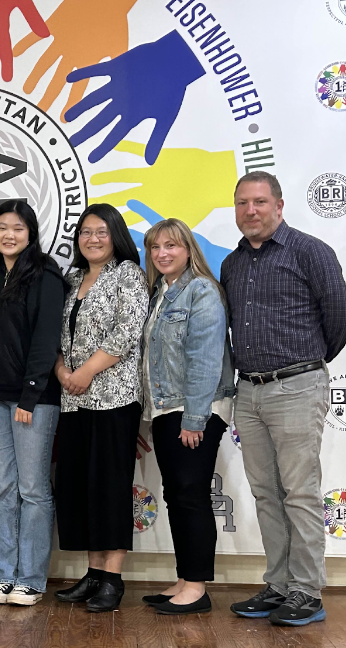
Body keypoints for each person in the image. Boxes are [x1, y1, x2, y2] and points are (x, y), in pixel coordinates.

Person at [222, 171, 346, 627]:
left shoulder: (310, 251)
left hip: (296, 386)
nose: (250, 211)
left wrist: (303, 365)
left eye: (258, 202)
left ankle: (307, 592)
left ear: (278, 204)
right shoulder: (233, 263)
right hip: (248, 391)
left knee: (300, 494)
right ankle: (277, 585)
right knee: (266, 494)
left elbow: (338, 319)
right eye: (242, 203)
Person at [53, 203, 147, 613]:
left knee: (109, 486)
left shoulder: (128, 274)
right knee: (79, 487)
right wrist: (62, 371)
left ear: (116, 236)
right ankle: (92, 575)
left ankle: (112, 578)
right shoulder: (71, 277)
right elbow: (54, 336)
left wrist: (87, 371)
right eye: (85, 231)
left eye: (101, 232)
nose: (92, 238)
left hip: (114, 396)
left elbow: (128, 329)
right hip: (72, 399)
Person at [139, 218, 235, 615]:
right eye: (155, 247)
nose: (162, 253)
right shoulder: (159, 292)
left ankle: (196, 587)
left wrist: (195, 418)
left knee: (191, 495)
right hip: (166, 409)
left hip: (195, 409)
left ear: (188, 249)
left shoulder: (201, 291)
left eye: (171, 246)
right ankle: (184, 578)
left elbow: (205, 357)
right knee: (178, 495)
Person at [0, 201, 64, 607]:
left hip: (33, 400)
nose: (9, 235)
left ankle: (31, 579)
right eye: (2, 227)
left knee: (33, 489)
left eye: (18, 228)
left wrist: (30, 392)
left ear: (31, 233)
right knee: (3, 488)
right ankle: (5, 575)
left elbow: (47, 339)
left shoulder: (45, 275)